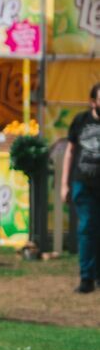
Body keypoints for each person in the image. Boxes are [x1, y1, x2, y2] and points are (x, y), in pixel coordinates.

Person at [63, 82, 100, 294]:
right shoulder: (81, 121)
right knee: (87, 228)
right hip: (83, 183)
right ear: (93, 101)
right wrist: (64, 184)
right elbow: (70, 151)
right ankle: (86, 278)